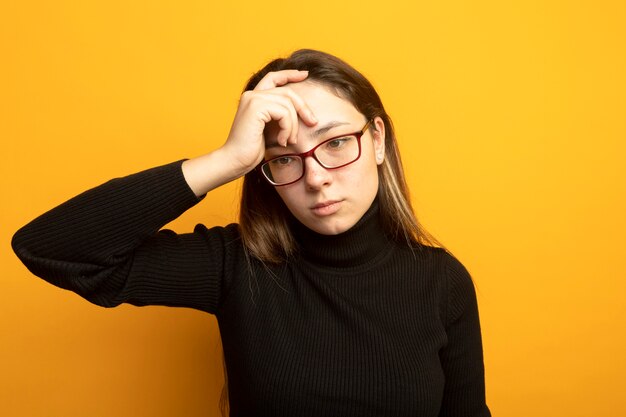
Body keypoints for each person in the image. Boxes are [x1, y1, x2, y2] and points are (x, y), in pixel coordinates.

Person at [12, 49, 491, 417]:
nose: (317, 176)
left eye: (337, 141)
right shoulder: (236, 264)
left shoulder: (442, 282)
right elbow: (50, 248)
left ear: (379, 140)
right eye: (285, 157)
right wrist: (227, 161)